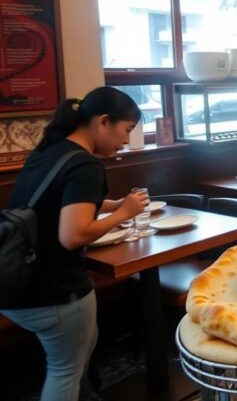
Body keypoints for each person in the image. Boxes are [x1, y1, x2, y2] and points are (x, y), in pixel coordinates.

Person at [0, 87, 149, 401]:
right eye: (127, 129)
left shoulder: (50, 151)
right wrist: (124, 213)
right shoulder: (85, 165)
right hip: (53, 290)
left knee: (76, 355)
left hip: (15, 279)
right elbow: (73, 235)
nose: (126, 140)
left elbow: (59, 203)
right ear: (103, 121)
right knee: (65, 370)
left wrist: (112, 205)